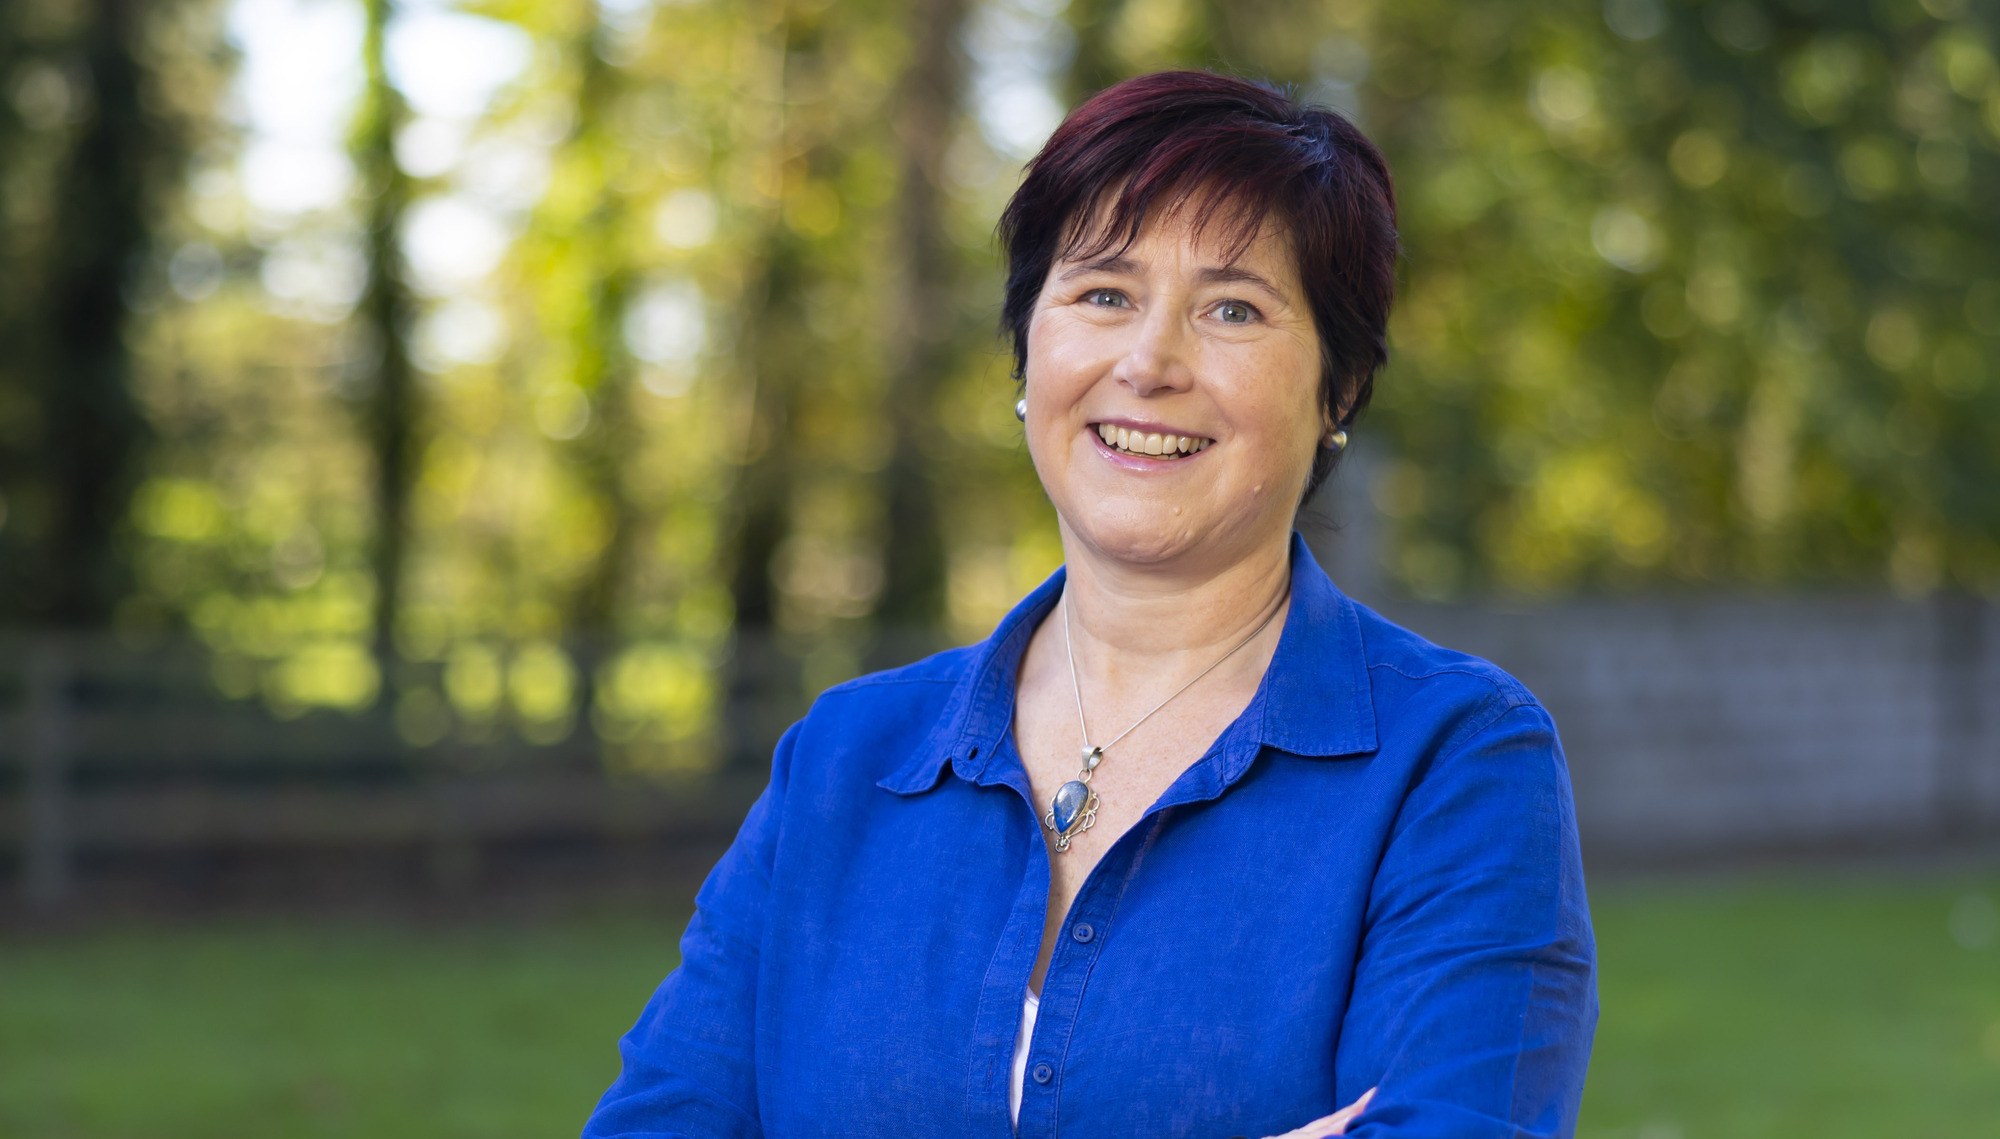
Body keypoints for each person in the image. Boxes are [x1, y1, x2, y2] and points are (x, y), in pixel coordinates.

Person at [584, 70, 1596, 1139]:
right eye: (1103, 293)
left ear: (1336, 388)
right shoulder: (844, 758)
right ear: (1028, 345)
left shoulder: (1455, 760)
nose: (1149, 363)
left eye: (1232, 308)